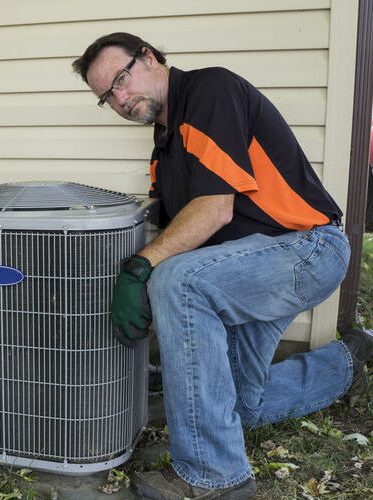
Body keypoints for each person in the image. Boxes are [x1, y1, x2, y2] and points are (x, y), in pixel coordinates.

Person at [72, 33, 373, 500]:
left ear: (149, 57)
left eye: (122, 79)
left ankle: (213, 476)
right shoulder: (164, 148)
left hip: (305, 248)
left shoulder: (210, 91)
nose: (120, 98)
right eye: (107, 96)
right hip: (247, 271)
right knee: (233, 406)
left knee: (177, 282)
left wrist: (139, 271)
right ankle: (345, 365)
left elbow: (215, 210)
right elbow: (176, 233)